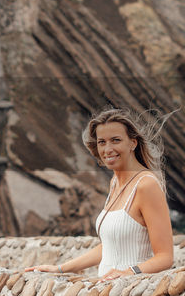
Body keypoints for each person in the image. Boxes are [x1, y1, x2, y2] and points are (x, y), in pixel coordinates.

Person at [26, 108, 174, 280]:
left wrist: (128, 272)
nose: (108, 149)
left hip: (132, 291)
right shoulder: (114, 183)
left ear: (133, 143)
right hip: (108, 292)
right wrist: (60, 269)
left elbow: (165, 257)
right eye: (102, 142)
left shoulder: (146, 185)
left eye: (116, 140)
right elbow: (110, 246)